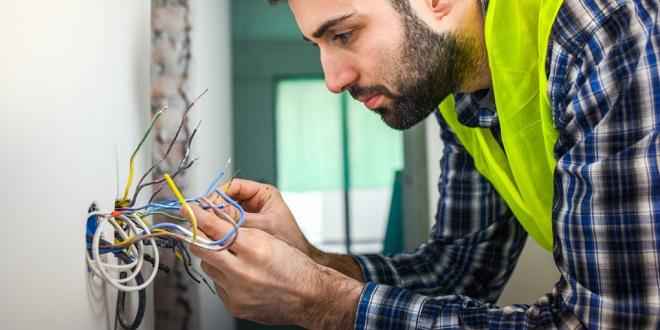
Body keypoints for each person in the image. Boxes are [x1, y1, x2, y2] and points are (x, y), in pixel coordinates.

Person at [186, 0, 660, 328]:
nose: (333, 79)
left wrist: (320, 302)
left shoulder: (604, 26)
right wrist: (312, 263)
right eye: (320, 45)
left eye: (344, 33)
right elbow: (458, 269)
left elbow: (614, 321)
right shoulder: (458, 87)